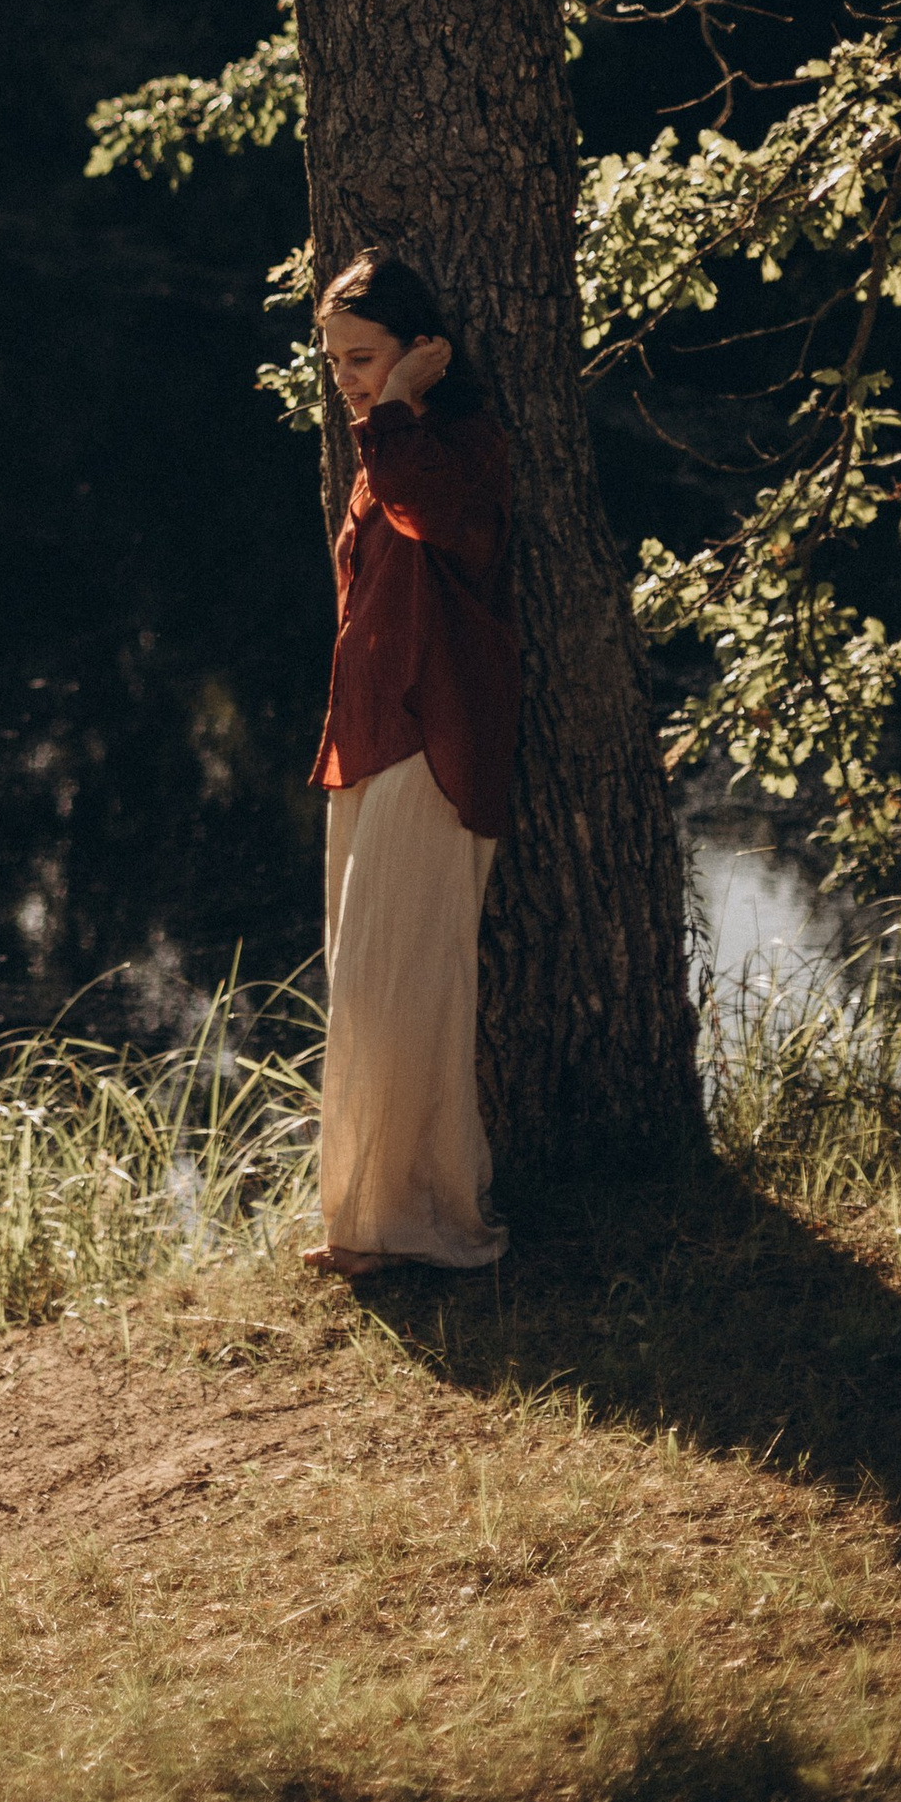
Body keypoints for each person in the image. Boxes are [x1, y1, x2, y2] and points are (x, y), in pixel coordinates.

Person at [303, 248, 520, 1281]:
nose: (348, 379)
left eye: (365, 358)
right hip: (370, 739)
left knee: (405, 990)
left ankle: (423, 1222)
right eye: (337, 362)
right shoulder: (385, 449)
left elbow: (424, 512)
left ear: (419, 350)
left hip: (435, 742)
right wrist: (385, 410)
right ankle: (372, 1217)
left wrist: (392, 408)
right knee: (367, 985)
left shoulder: (460, 447)